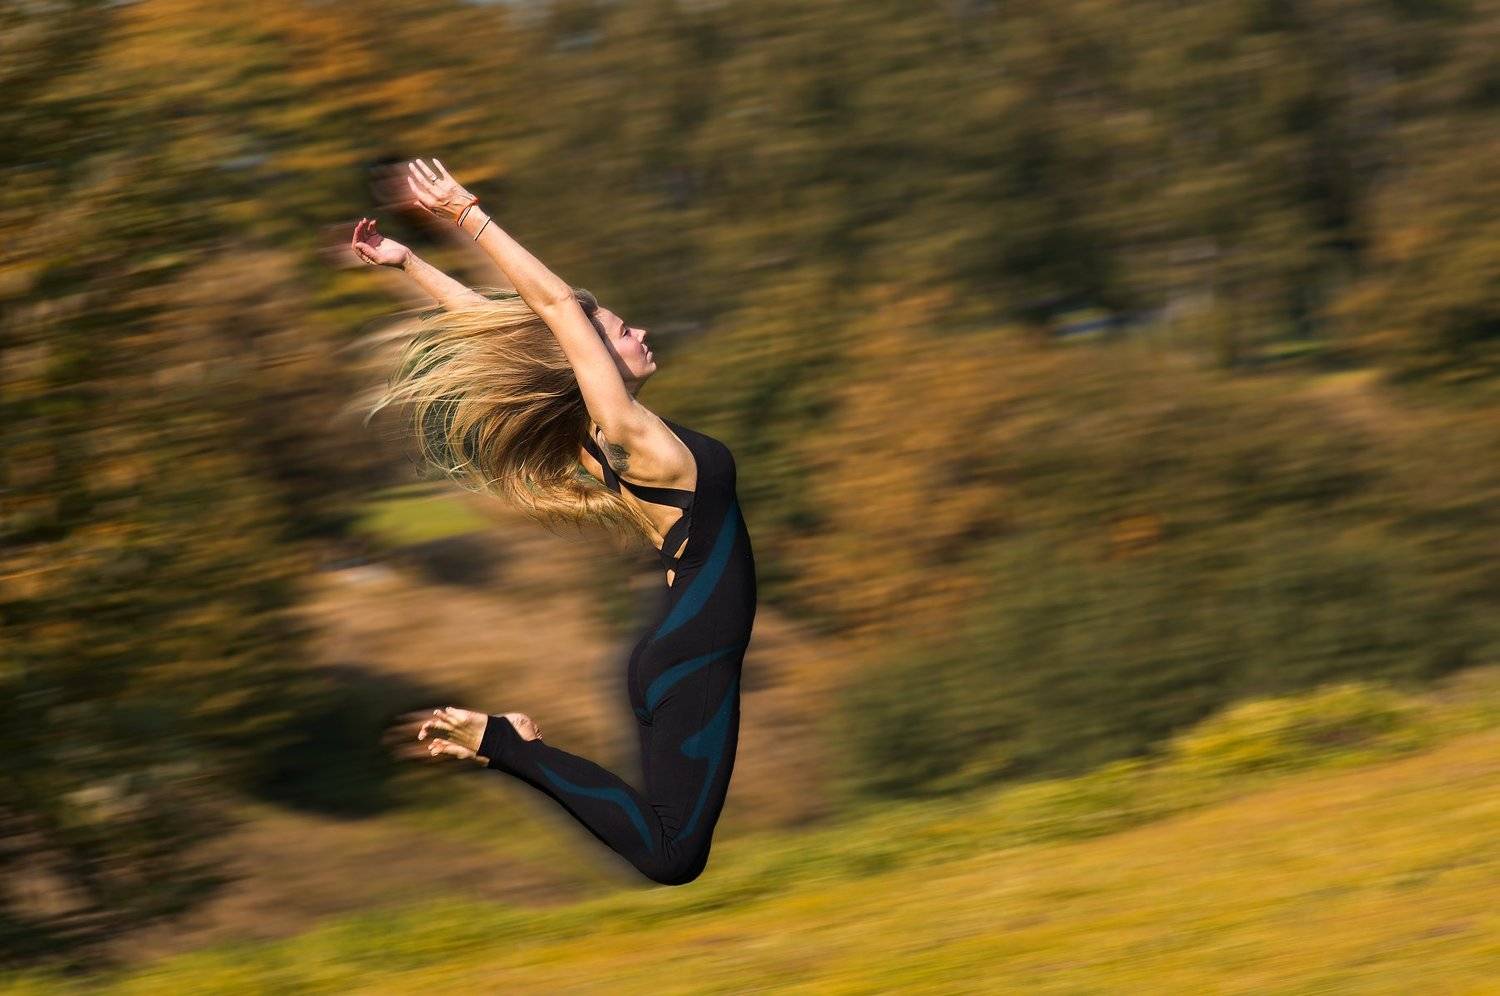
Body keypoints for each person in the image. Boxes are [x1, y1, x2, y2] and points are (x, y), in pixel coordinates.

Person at [353, 159, 756, 886]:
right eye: (622, 329)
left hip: (679, 651)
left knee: (671, 850)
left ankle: (510, 746)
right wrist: (466, 214)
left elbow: (511, 334)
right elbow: (558, 310)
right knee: (672, 856)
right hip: (692, 654)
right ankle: (506, 744)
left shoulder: (592, 439)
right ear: (592, 357)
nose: (641, 331)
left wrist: (410, 264)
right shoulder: (628, 435)